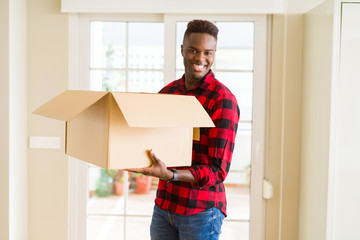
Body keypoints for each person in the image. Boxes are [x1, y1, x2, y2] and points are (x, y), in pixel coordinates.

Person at [127, 19, 240, 240]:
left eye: (208, 52)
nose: (200, 59)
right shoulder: (168, 93)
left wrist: (171, 175)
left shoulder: (222, 100)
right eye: (193, 50)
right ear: (182, 50)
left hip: (201, 211)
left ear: (214, 53)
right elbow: (151, 139)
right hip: (165, 204)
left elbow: (218, 170)